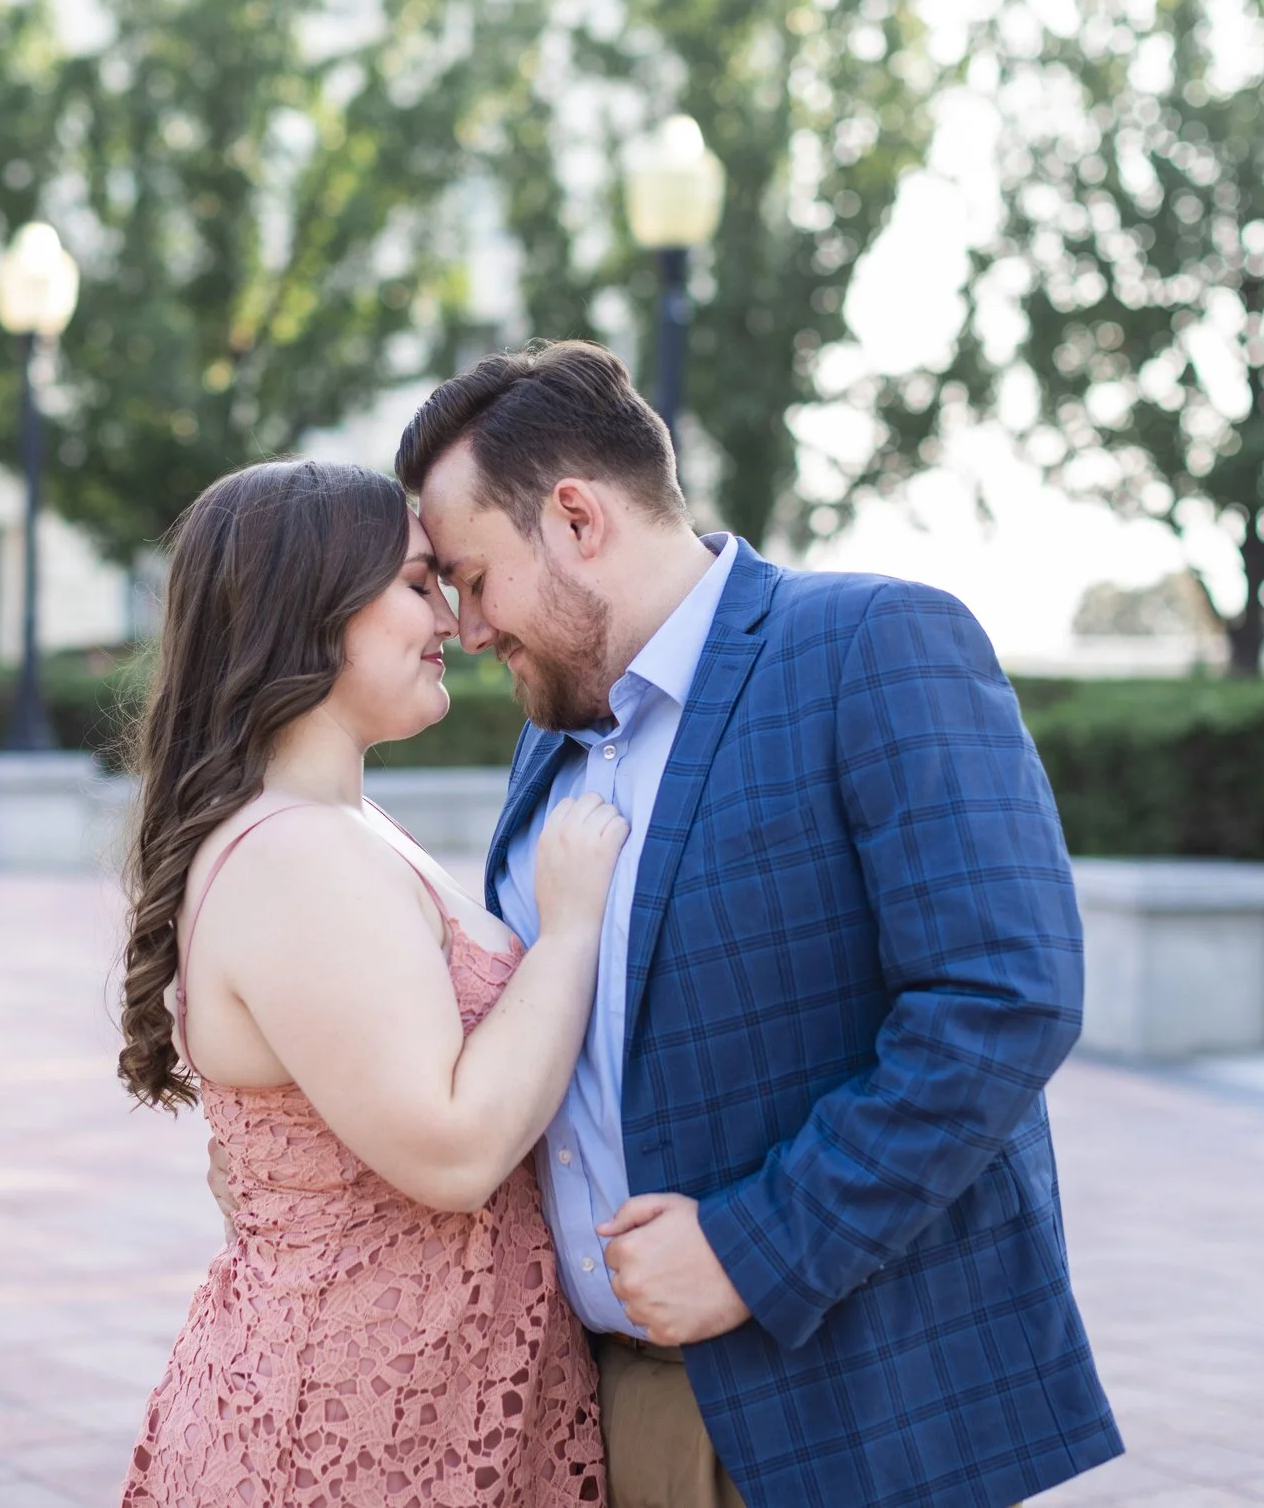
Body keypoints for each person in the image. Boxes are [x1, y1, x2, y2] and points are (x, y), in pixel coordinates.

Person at [272, 339, 1120, 1508]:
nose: (465, 627)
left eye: (469, 575)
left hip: (850, 1406)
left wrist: (752, 1244)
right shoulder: (549, 732)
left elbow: (1001, 998)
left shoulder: (871, 644)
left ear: (575, 517)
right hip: (615, 1410)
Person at [115, 458, 625, 1507]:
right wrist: (570, 930)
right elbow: (449, 1149)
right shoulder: (295, 854)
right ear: (307, 611)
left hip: (419, 1411)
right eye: (412, 582)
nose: (451, 615)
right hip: (351, 1433)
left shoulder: (341, 823)